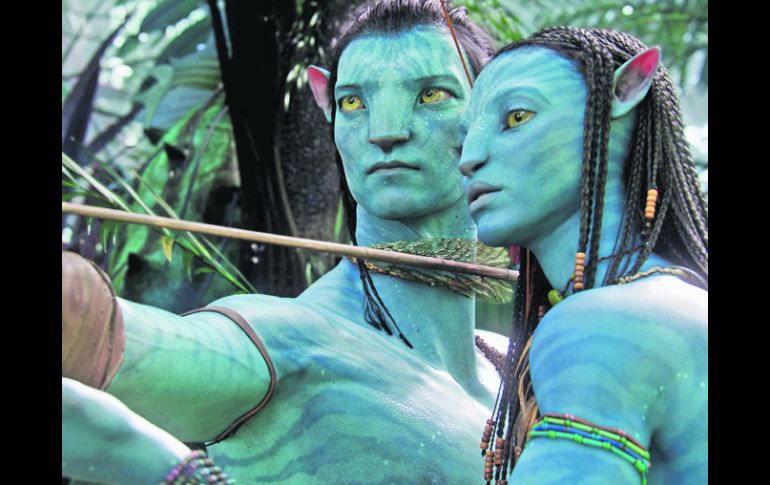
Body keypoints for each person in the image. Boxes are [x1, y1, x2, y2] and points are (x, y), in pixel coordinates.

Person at [62, 1, 503, 483]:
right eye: (353, 102)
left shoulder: (519, 364)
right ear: (327, 105)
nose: (385, 132)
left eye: (431, 94)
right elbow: (120, 337)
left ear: (495, 108)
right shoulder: (287, 341)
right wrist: (78, 307)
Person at [458, 27, 707, 484]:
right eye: (464, 137)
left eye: (516, 117)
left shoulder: (605, 325)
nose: (468, 158)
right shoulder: (678, 298)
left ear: (625, 91)